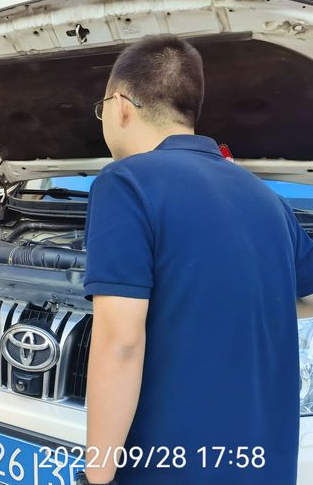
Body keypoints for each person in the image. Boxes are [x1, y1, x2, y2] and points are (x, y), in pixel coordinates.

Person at [77, 34, 313, 485]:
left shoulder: (124, 183)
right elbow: (306, 297)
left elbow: (121, 342)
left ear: (120, 105)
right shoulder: (265, 197)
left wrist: (97, 475)